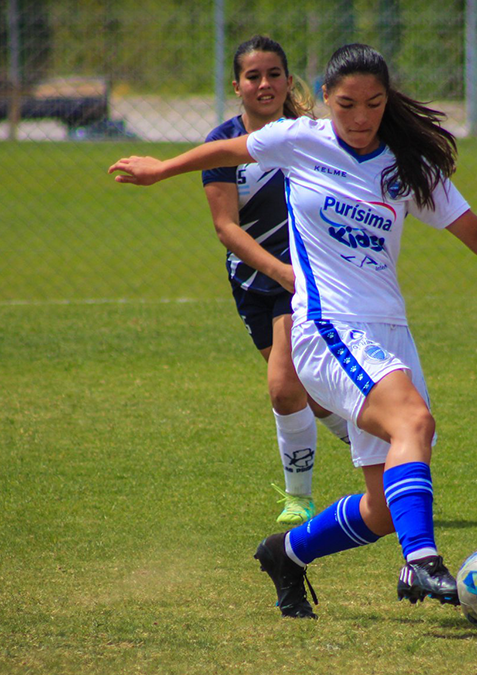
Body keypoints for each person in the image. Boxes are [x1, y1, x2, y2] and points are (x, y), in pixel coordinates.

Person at [110, 43, 477, 619]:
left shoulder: (407, 167)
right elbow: (225, 148)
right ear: (325, 100)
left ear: (387, 102)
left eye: (373, 104)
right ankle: (421, 561)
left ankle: (286, 554)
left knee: (382, 508)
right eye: (347, 104)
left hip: (390, 331)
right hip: (324, 326)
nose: (360, 117)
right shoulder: (300, 138)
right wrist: (160, 169)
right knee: (414, 422)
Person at [201, 35, 350, 527]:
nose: (264, 84)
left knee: (283, 387)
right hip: (253, 281)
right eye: (253, 76)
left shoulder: (313, 135)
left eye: (273, 75)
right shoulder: (223, 144)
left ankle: (300, 500)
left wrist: (298, 273)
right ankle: (373, 438)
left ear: (288, 80)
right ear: (237, 85)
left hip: (304, 279)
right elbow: (226, 227)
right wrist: (275, 270)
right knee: (305, 390)